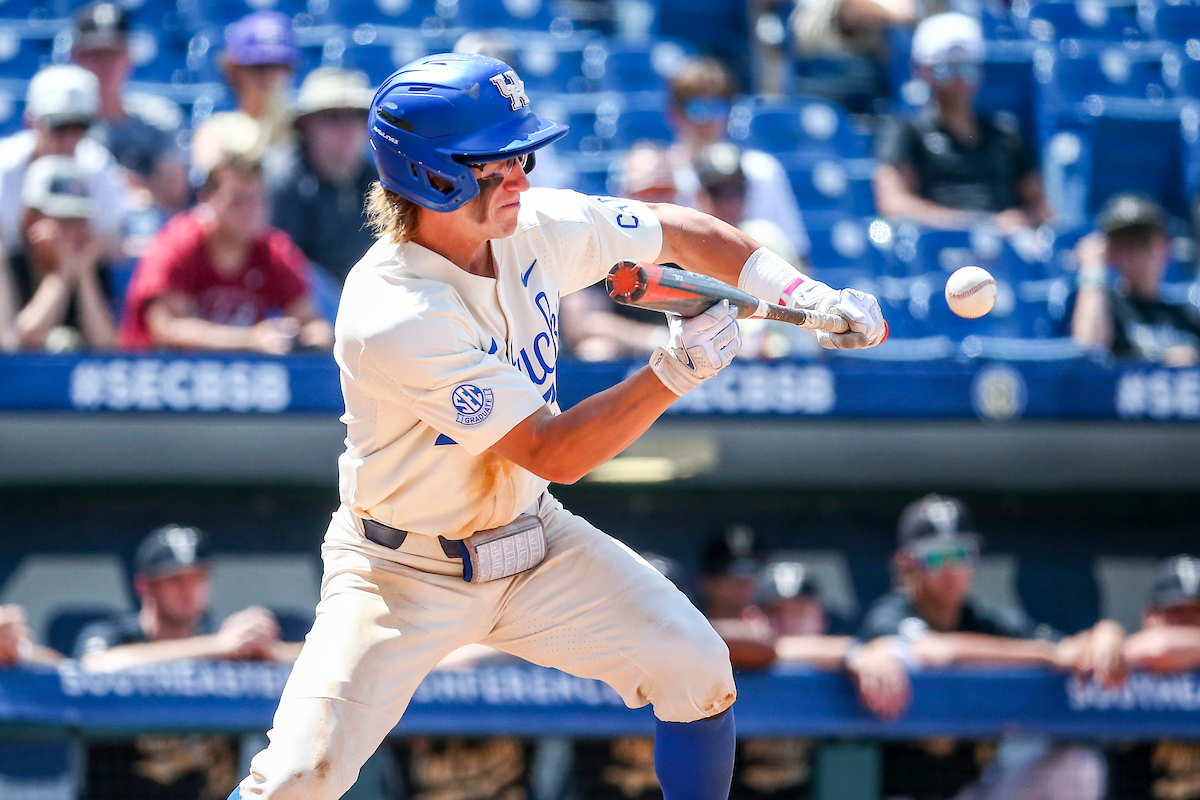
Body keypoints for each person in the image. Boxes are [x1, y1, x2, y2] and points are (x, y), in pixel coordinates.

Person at [226, 52, 885, 800]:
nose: (521, 178)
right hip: (400, 573)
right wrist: (675, 371)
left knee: (697, 667)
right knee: (294, 780)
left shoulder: (534, 227)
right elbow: (553, 449)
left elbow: (672, 230)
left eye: (521, 158)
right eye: (497, 164)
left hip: (532, 537)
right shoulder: (393, 311)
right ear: (431, 175)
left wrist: (802, 290)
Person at [846, 494, 1119, 800]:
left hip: (978, 791)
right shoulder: (889, 614)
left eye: (962, 554)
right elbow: (933, 650)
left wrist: (1107, 632)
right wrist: (1045, 655)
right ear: (906, 562)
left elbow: (1068, 646)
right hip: (908, 795)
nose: (951, 569)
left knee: (1077, 765)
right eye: (936, 557)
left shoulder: (984, 621)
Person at [75, 524, 295, 800]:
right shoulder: (114, 633)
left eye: (197, 578)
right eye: (175, 580)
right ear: (144, 585)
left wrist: (270, 651)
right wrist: (214, 647)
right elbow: (92, 667)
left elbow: (314, 663)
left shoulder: (223, 637)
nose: (188, 590)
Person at [120, 154, 333, 352]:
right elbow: (166, 329)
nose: (250, 211)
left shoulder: (272, 249)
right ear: (207, 198)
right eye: (237, 200)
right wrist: (250, 339)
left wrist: (304, 336)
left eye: (257, 200)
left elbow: (311, 321)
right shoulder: (178, 245)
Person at [873, 13, 1052, 233]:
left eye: (966, 67)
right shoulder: (905, 132)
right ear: (921, 71)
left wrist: (1019, 220)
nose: (958, 79)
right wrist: (974, 226)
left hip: (1004, 254)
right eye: (945, 68)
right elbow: (893, 204)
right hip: (935, 252)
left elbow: (1042, 209)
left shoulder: (1005, 133)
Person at [666, 57, 810, 258]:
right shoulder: (658, 177)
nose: (708, 119)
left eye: (718, 107)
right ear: (675, 113)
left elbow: (794, 251)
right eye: (697, 108)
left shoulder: (762, 170)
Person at [558, 143, 673, 361]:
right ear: (623, 194)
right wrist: (653, 339)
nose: (659, 200)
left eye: (667, 190)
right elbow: (581, 323)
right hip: (627, 351)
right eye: (648, 191)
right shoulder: (596, 245)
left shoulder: (683, 245)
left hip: (682, 350)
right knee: (596, 350)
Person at [0, 64, 129, 258]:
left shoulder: (97, 165)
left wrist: (76, 245)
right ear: (31, 121)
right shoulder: (6, 165)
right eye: (59, 126)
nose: (69, 139)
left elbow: (113, 247)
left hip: (77, 272)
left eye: (78, 126)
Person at [72, 1, 189, 215]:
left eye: (113, 53)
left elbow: (174, 195)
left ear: (128, 56)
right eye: (95, 54)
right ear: (77, 57)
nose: (105, 64)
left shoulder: (160, 119)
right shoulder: (64, 124)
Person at [264, 68, 376, 286]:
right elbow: (276, 265)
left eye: (357, 115)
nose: (347, 128)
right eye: (332, 116)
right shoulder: (281, 180)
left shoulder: (377, 180)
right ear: (306, 126)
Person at [1108, 555, 1200, 800]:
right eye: (1177, 613)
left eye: (1198, 612)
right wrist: (1108, 636)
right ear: (1150, 617)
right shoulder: (1124, 669)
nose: (1190, 622)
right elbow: (1158, 648)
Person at [1071, 194, 1200, 364]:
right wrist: (1092, 270)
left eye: (1145, 242)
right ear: (1111, 253)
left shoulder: (1186, 316)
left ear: (1165, 247)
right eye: (1125, 245)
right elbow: (1088, 351)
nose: (1137, 255)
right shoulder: (1105, 306)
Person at [5, 155, 117, 350]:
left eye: (79, 221)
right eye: (62, 220)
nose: (73, 232)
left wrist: (83, 274)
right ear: (32, 220)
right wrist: (61, 273)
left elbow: (106, 346)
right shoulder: (10, 266)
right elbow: (22, 342)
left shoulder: (93, 268)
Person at [191, 11, 297, 175]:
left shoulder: (306, 126)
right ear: (234, 71)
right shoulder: (215, 131)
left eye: (279, 65)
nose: (270, 77)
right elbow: (214, 189)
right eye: (259, 67)